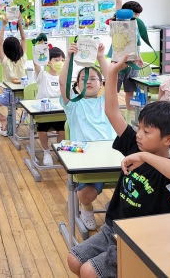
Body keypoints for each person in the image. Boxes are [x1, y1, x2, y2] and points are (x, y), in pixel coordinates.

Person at [67, 56, 170, 278]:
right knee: (74, 259)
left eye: (147, 131)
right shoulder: (135, 144)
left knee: (89, 271)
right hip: (115, 227)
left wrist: (144, 156)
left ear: (168, 140)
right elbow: (112, 112)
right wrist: (113, 73)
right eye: (139, 128)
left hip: (144, 238)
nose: (139, 134)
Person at [59, 41, 116, 231]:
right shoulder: (74, 104)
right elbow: (62, 82)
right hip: (86, 160)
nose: (89, 81)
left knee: (132, 187)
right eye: (84, 79)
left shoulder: (106, 102)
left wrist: (101, 57)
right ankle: (86, 209)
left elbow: (111, 78)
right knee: (86, 194)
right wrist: (69, 58)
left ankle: (116, 205)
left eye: (93, 78)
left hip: (112, 157)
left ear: (101, 84)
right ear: (76, 86)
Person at [113, 0, 144, 110]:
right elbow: (118, 3)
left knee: (130, 91)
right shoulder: (120, 22)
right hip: (118, 61)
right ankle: (112, 113)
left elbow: (137, 43)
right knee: (114, 89)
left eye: (138, 15)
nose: (136, 17)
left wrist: (139, 56)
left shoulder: (136, 26)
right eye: (134, 14)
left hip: (132, 62)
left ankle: (128, 115)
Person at [34, 46, 66, 166]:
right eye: (57, 60)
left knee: (63, 130)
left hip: (59, 112)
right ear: (48, 62)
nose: (60, 63)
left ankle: (59, 152)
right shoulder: (43, 75)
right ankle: (46, 152)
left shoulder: (63, 77)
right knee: (42, 130)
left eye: (62, 60)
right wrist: (40, 47)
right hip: (44, 112)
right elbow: (36, 62)